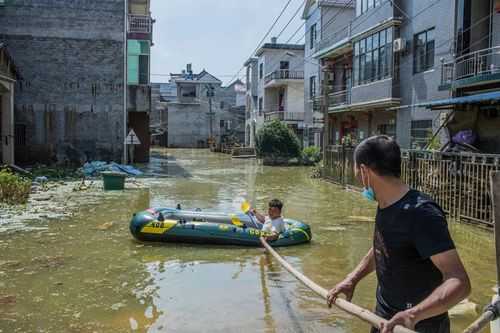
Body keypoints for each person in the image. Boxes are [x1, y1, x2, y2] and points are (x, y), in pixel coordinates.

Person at [326, 135, 470, 333]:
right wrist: (352, 279)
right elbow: (384, 246)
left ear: (364, 171)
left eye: (355, 171)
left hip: (417, 325)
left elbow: (459, 282)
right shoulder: (385, 204)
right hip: (383, 317)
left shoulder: (421, 213)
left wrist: (413, 315)